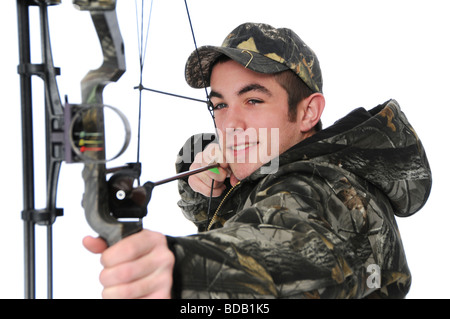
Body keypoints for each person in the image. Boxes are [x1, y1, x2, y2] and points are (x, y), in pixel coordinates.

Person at [83, 22, 432, 299]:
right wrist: (206, 189)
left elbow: (282, 248)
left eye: (253, 101)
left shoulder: (328, 192)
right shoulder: (271, 169)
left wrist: (179, 269)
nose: (230, 124)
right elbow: (250, 221)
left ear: (308, 112)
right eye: (219, 105)